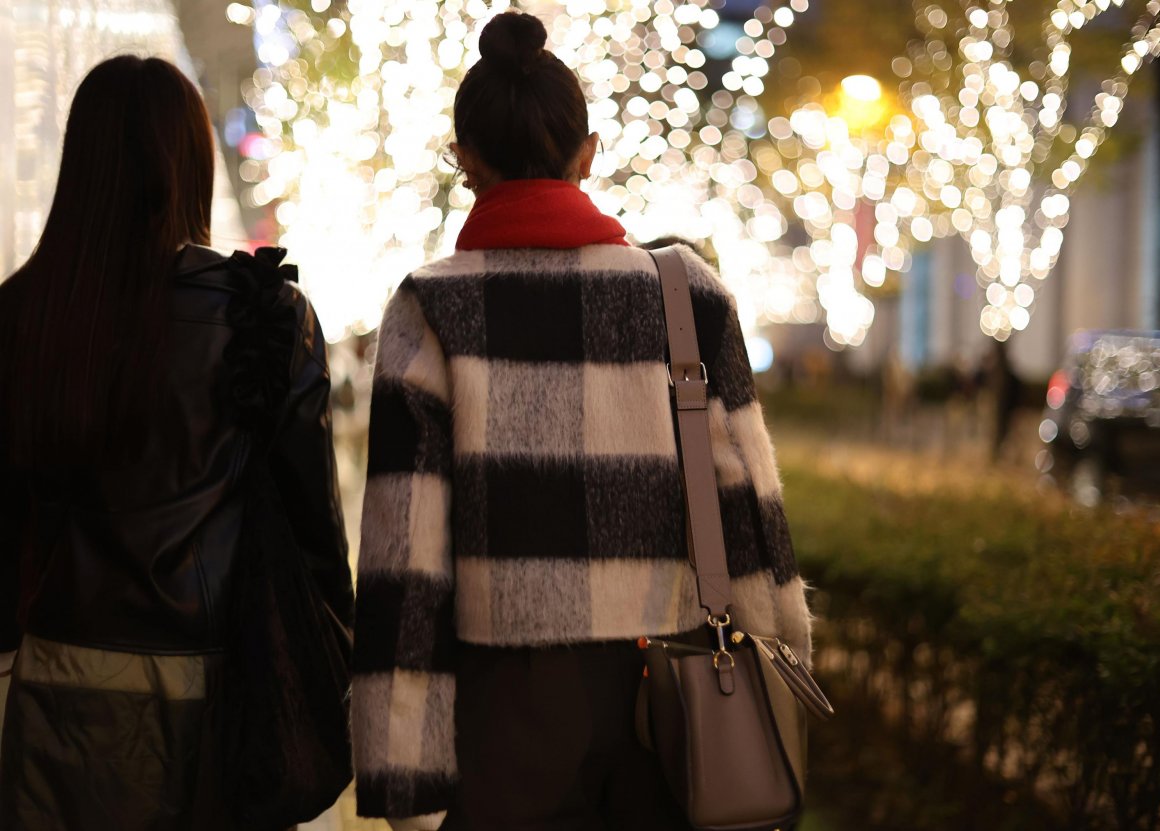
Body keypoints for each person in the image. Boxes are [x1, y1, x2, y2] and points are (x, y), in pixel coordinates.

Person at [351, 12, 812, 831]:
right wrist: (782, 666)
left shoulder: (431, 307)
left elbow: (403, 549)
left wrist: (403, 771)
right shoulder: (686, 293)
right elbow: (748, 504)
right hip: (672, 698)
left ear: (464, 158)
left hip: (504, 708)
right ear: (589, 153)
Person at [0, 56, 353, 829]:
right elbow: (313, 528)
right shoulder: (264, 313)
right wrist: (337, 664)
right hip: (222, 683)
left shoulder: (23, 312)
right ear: (193, 164)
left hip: (58, 671)